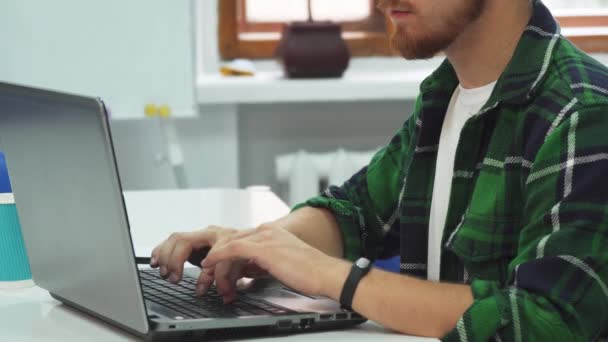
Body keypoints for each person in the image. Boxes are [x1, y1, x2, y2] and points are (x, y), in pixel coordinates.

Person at [150, 0, 608, 340]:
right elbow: (357, 211)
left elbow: (547, 320)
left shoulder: (583, 113)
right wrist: (256, 245)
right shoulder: (445, 95)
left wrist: (332, 276)